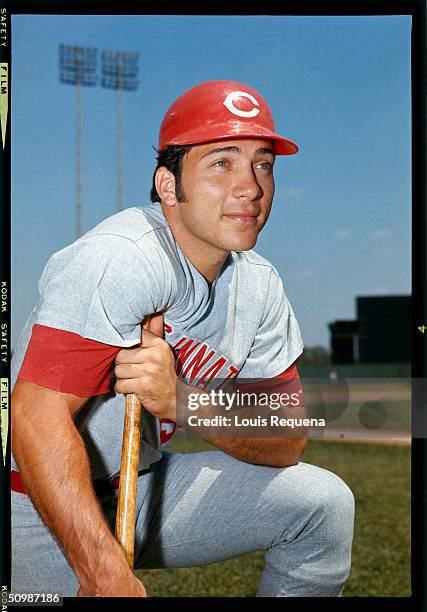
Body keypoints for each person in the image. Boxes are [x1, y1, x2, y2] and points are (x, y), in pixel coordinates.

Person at [11, 80, 355, 598]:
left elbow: (287, 439)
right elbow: (34, 419)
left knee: (321, 503)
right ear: (169, 185)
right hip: (33, 500)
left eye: (263, 163)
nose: (250, 187)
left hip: (144, 487)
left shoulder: (259, 286)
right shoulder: (121, 257)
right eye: (222, 162)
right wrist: (104, 575)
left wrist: (182, 402)